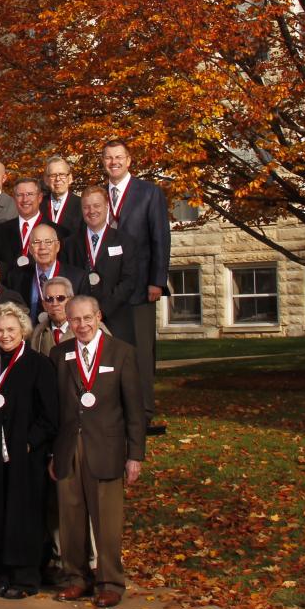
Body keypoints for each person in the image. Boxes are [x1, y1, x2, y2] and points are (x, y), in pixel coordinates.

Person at [51, 296, 146, 608]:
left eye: (87, 318)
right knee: (70, 519)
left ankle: (110, 581)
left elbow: (135, 409)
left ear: (99, 316)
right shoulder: (59, 354)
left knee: (107, 521)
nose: (82, 325)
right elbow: (54, 411)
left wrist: (135, 455)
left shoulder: (122, 353)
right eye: (75, 320)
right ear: (68, 321)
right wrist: (53, 453)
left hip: (107, 448)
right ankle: (75, 578)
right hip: (69, 448)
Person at [0, 303, 57, 599]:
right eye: (0, 330)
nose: (5, 335)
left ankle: (26, 579)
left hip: (24, 455)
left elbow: (50, 415)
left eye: (11, 330)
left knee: (23, 515)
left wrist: (30, 441)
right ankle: (2, 574)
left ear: (23, 331)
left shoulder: (38, 364)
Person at [100, 139, 170, 433]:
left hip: (141, 286)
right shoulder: (98, 195)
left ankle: (143, 413)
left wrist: (157, 280)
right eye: (108, 158)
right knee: (113, 351)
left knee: (141, 351)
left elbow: (160, 238)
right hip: (109, 289)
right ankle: (116, 409)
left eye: (118, 157)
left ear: (129, 160)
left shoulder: (148, 193)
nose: (113, 162)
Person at [69, 186, 137, 344]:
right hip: (81, 323)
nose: (91, 211)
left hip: (117, 318)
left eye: (96, 206)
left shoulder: (124, 241)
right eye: (86, 207)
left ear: (106, 206)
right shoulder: (71, 244)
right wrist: (86, 314)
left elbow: (129, 281)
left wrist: (102, 311)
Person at [0, 178, 65, 266]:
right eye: (20, 195)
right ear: (14, 198)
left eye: (30, 194)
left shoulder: (59, 232)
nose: (25, 199)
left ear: (40, 197)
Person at [8, 223, 69, 323]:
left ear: (57, 246)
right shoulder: (16, 276)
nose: (42, 247)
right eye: (36, 242)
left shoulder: (77, 278)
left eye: (48, 242)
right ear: (30, 249)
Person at [30, 277, 74, 356]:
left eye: (60, 298)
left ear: (71, 301)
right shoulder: (36, 333)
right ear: (44, 305)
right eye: (49, 299)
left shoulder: (85, 328)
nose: (55, 304)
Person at [41, 157, 78, 231]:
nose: (58, 179)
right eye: (53, 175)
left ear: (70, 178)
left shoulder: (82, 205)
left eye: (62, 174)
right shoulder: (38, 205)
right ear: (46, 180)